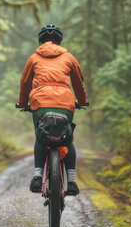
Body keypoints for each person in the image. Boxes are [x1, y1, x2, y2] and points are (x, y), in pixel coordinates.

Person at [16, 24, 89, 196]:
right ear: (59, 41)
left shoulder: (33, 58)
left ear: (41, 41)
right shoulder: (69, 57)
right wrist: (83, 101)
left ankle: (37, 177)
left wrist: (22, 103)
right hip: (65, 103)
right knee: (67, 139)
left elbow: (25, 83)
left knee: (41, 137)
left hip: (40, 103)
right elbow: (78, 82)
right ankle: (71, 181)